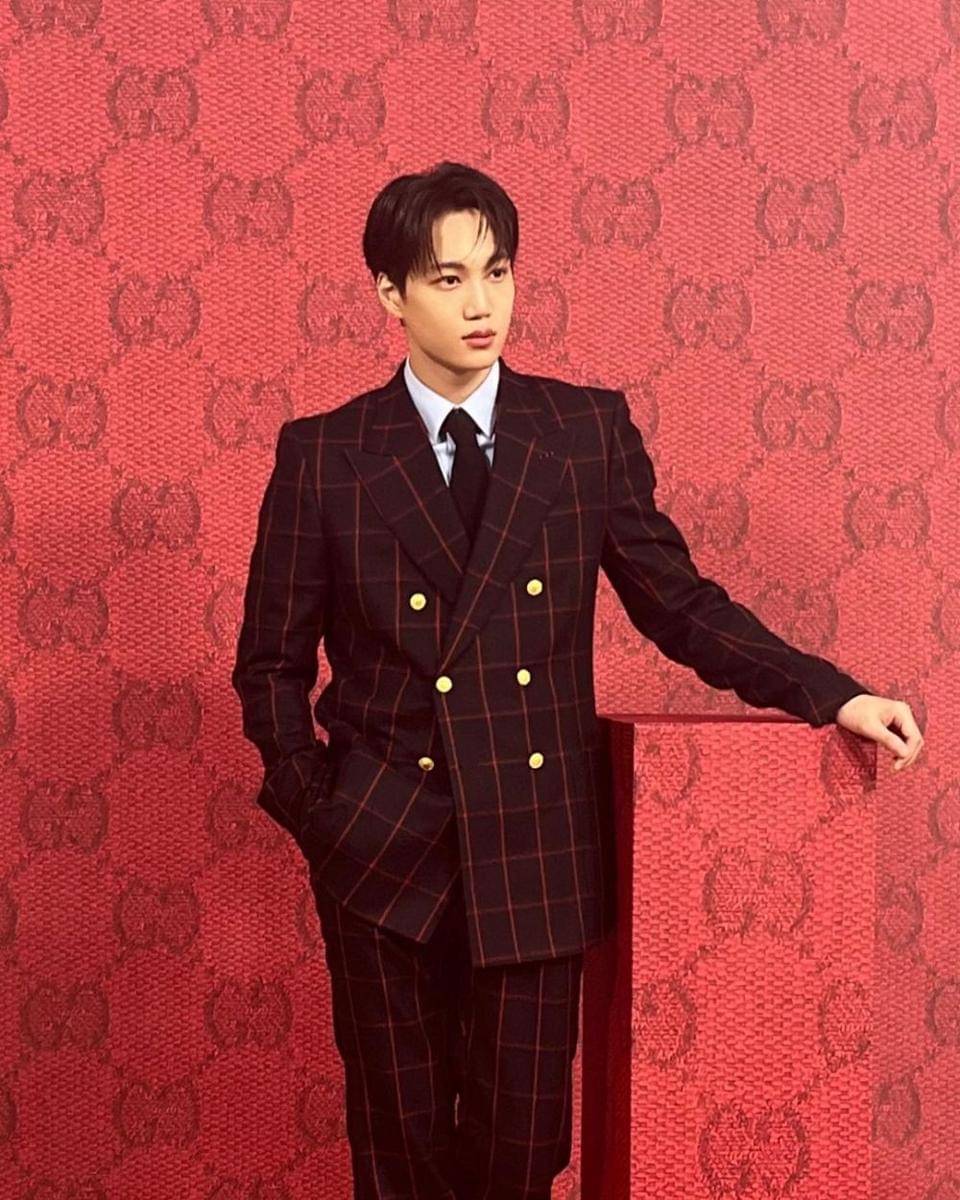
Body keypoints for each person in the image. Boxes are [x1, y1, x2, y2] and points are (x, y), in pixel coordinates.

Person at [230, 160, 924, 1200]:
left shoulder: (580, 434)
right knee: (398, 1156)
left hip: (536, 849)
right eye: (449, 278)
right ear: (390, 294)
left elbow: (679, 604)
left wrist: (831, 693)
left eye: (498, 272)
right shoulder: (327, 455)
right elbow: (270, 666)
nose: (482, 303)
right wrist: (319, 808)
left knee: (522, 1159)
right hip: (378, 850)